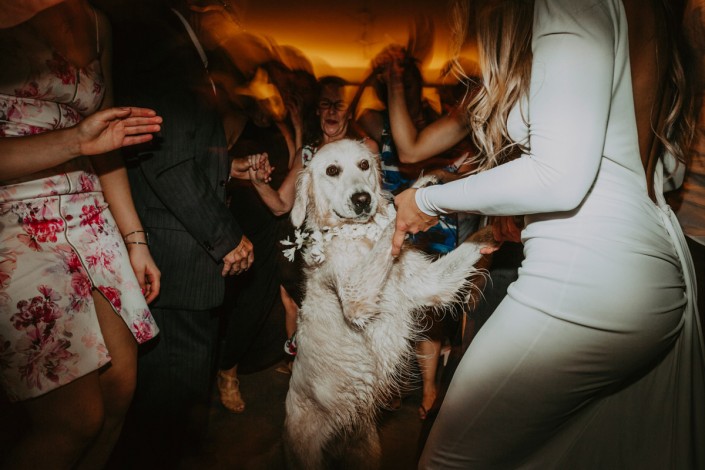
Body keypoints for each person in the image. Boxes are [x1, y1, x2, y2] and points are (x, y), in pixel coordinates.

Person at [390, 0, 705, 467]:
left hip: (582, 277)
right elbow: (669, 170)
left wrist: (427, 201)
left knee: (446, 460)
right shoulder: (651, 14)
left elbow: (559, 176)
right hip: (654, 268)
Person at [0, 1, 162, 467]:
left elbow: (105, 143)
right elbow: (84, 139)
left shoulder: (97, 22)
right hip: (15, 219)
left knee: (119, 393)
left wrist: (136, 241)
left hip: (93, 215)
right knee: (74, 421)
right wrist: (74, 141)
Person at [106, 0, 254, 465]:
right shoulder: (161, 45)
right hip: (175, 259)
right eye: (232, 7)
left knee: (173, 407)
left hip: (176, 254)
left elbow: (183, 145)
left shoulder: (178, 48)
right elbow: (164, 161)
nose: (237, 17)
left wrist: (228, 167)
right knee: (170, 416)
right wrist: (227, 236)